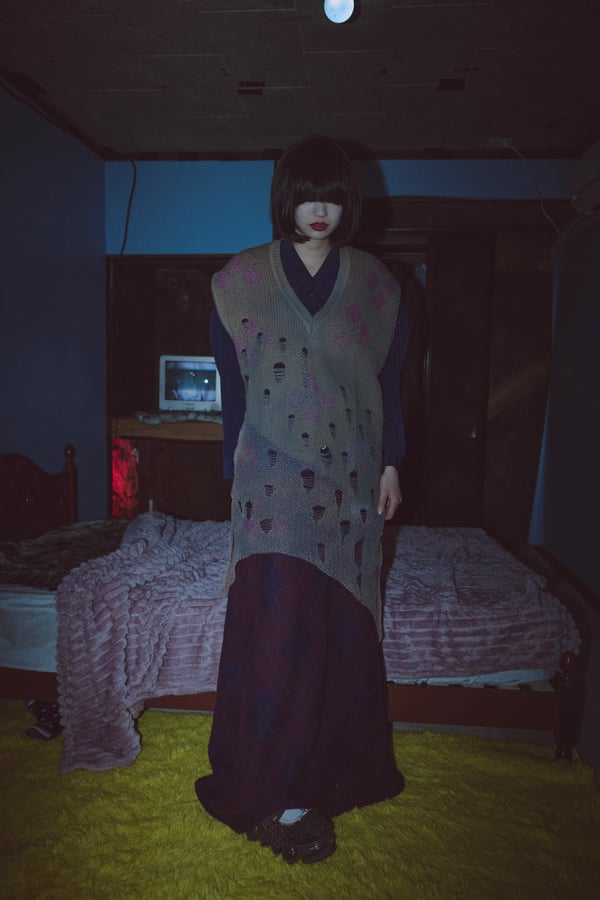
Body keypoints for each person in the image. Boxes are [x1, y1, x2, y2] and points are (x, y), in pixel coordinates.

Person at [195, 135, 407, 864]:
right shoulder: (241, 280)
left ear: (350, 204)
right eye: (308, 196)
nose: (321, 210)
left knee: (338, 627)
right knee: (280, 629)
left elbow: (390, 385)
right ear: (285, 198)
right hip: (273, 483)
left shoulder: (376, 286)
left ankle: (331, 774)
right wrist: (235, 468)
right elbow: (232, 384)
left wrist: (391, 464)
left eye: (335, 198)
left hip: (351, 483)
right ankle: (275, 793)